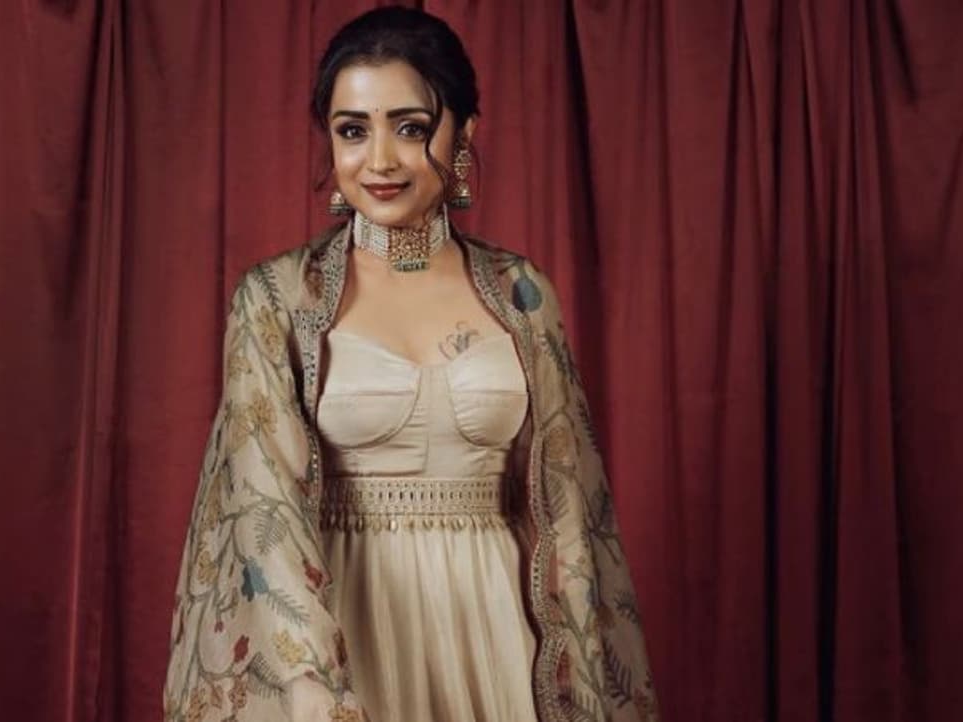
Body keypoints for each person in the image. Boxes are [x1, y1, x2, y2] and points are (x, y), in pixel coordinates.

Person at [163, 7, 657, 722]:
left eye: (410, 127)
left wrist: (579, 678)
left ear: (464, 134)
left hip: (497, 633)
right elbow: (261, 505)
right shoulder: (278, 299)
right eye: (352, 130)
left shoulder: (521, 294)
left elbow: (570, 512)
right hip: (345, 634)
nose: (381, 160)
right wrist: (316, 688)